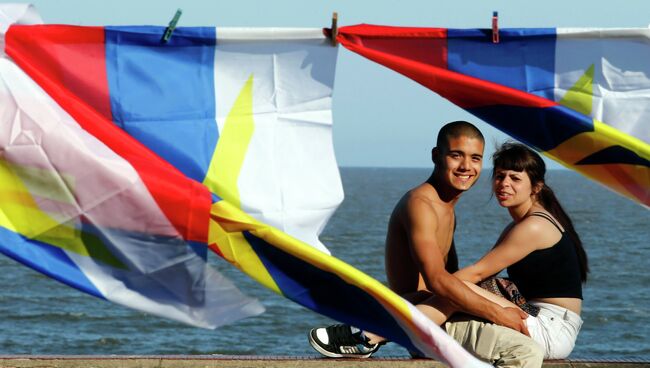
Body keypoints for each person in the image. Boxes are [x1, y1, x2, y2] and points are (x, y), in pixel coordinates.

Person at [308, 122, 544, 367]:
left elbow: (451, 279)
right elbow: (438, 280)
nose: (466, 166)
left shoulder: (448, 208)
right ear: (436, 156)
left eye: (475, 158)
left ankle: (369, 331)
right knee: (526, 351)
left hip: (434, 315)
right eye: (456, 155)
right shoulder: (421, 205)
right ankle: (366, 335)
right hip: (423, 319)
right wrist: (498, 313)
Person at [419, 142, 588, 359]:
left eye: (515, 178)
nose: (504, 184)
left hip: (551, 330)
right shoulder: (520, 225)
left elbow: (477, 273)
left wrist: (431, 292)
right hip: (536, 316)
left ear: (536, 187)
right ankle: (391, 328)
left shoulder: (534, 226)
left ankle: (374, 335)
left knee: (456, 289)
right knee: (457, 292)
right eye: (499, 176)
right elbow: (484, 275)